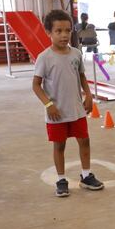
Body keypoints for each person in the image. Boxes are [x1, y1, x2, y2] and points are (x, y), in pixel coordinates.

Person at [32, 10, 104, 197]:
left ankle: (86, 176)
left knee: (84, 141)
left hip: (77, 110)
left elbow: (81, 76)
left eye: (67, 30)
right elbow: (36, 85)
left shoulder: (76, 54)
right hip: (56, 112)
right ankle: (61, 179)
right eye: (58, 31)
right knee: (59, 145)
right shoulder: (44, 58)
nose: (64, 35)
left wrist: (88, 95)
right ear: (49, 32)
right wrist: (49, 105)